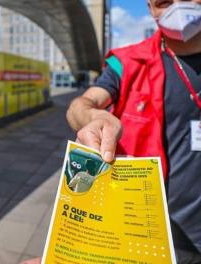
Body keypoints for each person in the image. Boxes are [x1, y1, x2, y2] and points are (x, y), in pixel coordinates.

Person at [22, 0, 201, 263]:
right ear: (151, 9)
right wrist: (93, 117)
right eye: (164, 2)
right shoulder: (126, 63)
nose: (177, 7)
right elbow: (80, 105)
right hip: (152, 226)